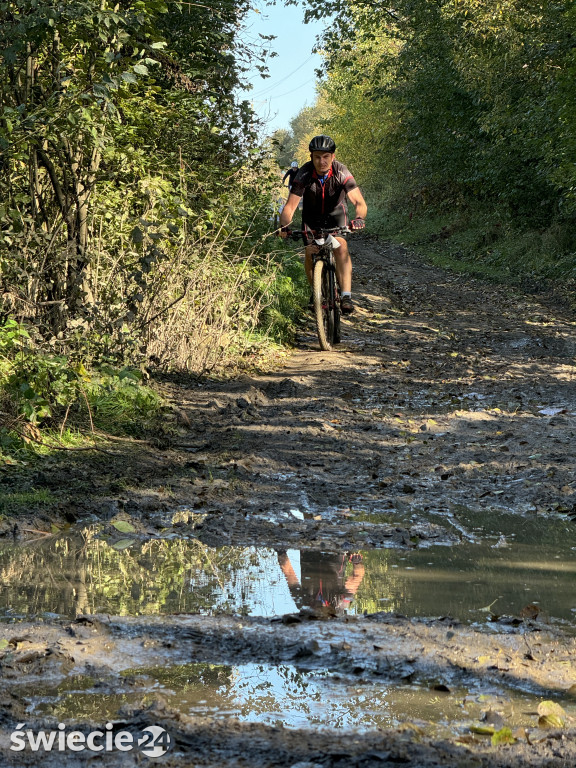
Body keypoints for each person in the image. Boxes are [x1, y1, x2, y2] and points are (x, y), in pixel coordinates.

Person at [279, 135, 367, 314]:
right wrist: (284, 227)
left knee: (341, 246)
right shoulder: (304, 173)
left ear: (333, 157)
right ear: (311, 156)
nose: (322, 161)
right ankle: (316, 293)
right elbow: (290, 207)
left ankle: (346, 296)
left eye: (326, 156)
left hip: (336, 215)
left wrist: (359, 218)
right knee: (310, 252)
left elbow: (359, 202)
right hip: (311, 218)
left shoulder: (341, 171)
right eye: (317, 156)